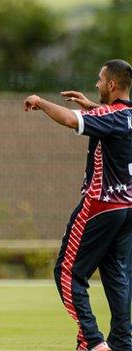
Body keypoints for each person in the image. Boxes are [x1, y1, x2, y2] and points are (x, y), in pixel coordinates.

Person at [24, 59, 132, 351]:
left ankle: (93, 342)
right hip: (127, 209)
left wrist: (41, 102)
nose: (96, 85)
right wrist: (90, 106)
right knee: (116, 275)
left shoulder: (110, 115)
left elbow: (72, 120)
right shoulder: (126, 115)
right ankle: (123, 343)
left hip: (100, 203)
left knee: (67, 274)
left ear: (111, 84)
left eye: (99, 80)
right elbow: (113, 122)